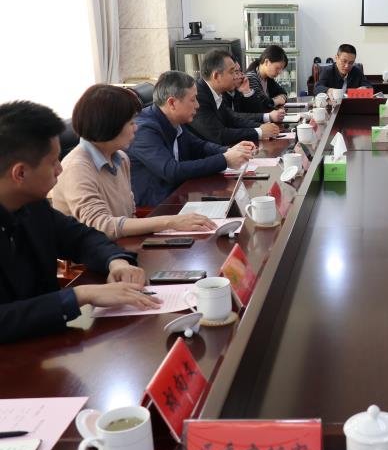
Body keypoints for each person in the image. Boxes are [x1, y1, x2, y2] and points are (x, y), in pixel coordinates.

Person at [0, 100, 161, 344]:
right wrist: (80, 295)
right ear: (20, 173)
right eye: (53, 162)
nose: (60, 169)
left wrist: (116, 262)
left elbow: (81, 237)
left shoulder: (33, 205)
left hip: (49, 344)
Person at [52, 84, 217, 238]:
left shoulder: (121, 158)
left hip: (122, 246)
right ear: (109, 125)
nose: (136, 128)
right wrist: (170, 222)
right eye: (131, 123)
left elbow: (130, 214)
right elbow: (101, 226)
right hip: (92, 256)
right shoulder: (76, 168)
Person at [128, 70, 254, 207]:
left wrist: (230, 151)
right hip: (156, 209)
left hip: (181, 195)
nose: (197, 105)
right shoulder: (144, 129)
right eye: (193, 100)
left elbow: (199, 146)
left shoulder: (173, 120)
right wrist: (225, 160)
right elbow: (172, 171)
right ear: (172, 103)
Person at [188, 49, 280, 145]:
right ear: (216, 76)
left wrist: (261, 127)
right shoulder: (199, 96)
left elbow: (232, 120)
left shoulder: (215, 91)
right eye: (232, 72)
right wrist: (259, 132)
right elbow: (219, 135)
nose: (236, 77)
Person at [242, 45, 290, 111]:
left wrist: (277, 100)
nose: (279, 72)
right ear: (266, 62)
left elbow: (283, 93)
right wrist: (276, 101)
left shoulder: (268, 78)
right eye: (277, 68)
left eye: (281, 69)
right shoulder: (250, 78)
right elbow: (260, 104)